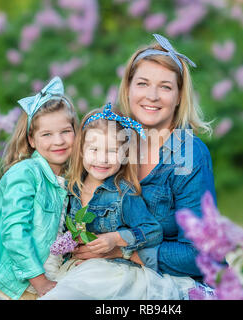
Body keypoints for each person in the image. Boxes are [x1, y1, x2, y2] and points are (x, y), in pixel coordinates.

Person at [73, 34, 223, 298]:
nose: (152, 96)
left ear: (178, 97)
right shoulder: (113, 143)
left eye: (165, 87)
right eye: (143, 83)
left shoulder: (188, 153)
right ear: (128, 89)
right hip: (113, 271)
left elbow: (200, 253)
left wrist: (122, 249)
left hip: (176, 279)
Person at [39, 103, 196, 300]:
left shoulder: (123, 193)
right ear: (81, 150)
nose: (102, 159)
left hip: (111, 271)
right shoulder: (70, 190)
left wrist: (115, 239)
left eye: (112, 151)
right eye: (94, 149)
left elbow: (153, 231)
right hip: (77, 268)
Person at [0, 77, 79, 300]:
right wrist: (39, 281)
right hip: (12, 287)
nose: (58, 141)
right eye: (46, 134)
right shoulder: (26, 173)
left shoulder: (69, 180)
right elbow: (14, 231)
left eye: (65, 131)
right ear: (31, 139)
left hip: (46, 282)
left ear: (76, 133)